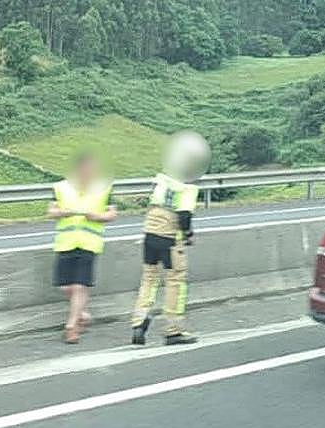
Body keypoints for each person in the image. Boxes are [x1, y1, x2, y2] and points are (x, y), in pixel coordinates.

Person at [130, 131, 210, 346]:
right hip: (170, 240)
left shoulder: (161, 180)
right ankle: (173, 330)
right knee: (175, 281)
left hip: (150, 235)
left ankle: (139, 322)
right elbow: (184, 216)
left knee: (149, 279)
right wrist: (188, 235)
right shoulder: (188, 188)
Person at [48, 152, 116, 344]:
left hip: (89, 243)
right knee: (65, 286)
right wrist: (63, 212)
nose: (90, 171)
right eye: (87, 167)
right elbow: (50, 211)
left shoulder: (103, 187)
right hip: (65, 242)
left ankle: (71, 327)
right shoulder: (61, 187)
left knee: (80, 285)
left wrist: (98, 217)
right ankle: (82, 313)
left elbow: (112, 214)